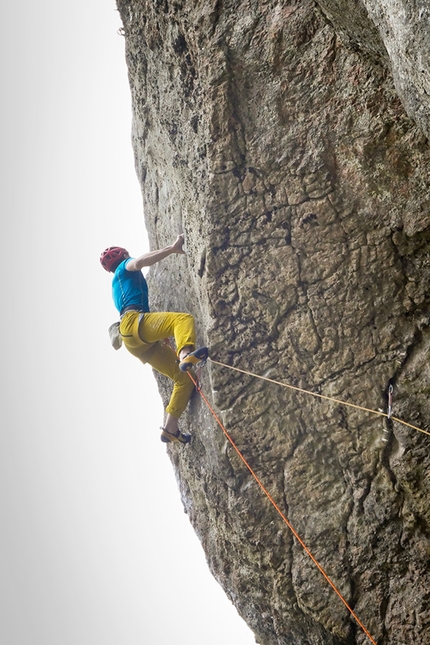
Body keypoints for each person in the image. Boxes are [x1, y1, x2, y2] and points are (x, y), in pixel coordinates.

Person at [100, 234, 208, 445]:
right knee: (182, 320)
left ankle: (170, 428)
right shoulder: (124, 267)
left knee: (184, 379)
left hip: (134, 340)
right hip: (134, 323)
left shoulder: (117, 285)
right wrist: (171, 249)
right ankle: (185, 354)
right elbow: (140, 262)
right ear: (123, 255)